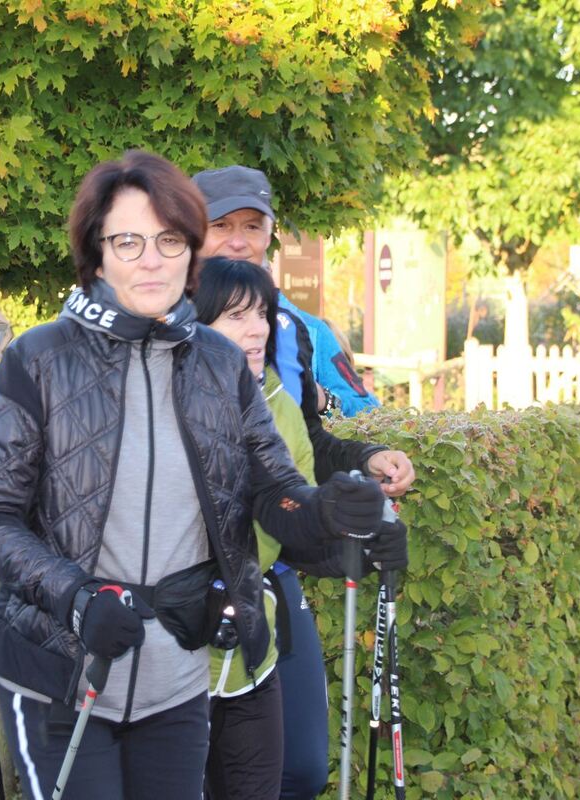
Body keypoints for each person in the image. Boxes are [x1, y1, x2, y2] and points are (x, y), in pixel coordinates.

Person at [0, 150, 401, 800]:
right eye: (128, 240)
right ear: (95, 251)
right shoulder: (39, 358)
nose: (150, 259)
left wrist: (338, 518)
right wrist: (78, 597)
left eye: (169, 240)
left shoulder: (220, 365)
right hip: (60, 667)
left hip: (176, 672)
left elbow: (274, 497)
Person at [192, 164, 416, 800]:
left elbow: (300, 444)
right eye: (222, 226)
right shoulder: (163, 332)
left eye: (253, 226)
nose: (238, 240)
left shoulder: (289, 329)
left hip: (273, 563)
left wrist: (365, 459)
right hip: (185, 588)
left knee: (297, 770)